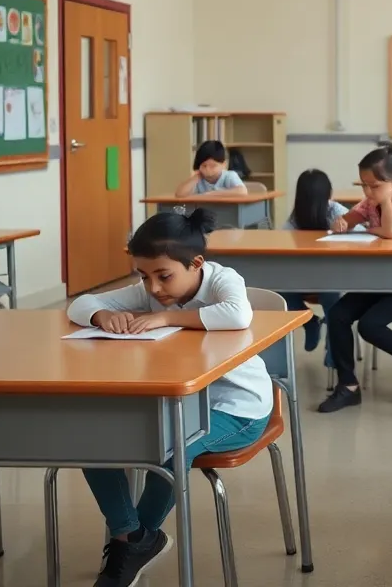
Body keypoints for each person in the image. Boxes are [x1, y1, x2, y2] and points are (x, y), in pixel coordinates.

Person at [66, 210, 272, 587]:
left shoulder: (223, 281)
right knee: (91, 439)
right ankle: (135, 537)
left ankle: (129, 544)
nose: (154, 289)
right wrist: (99, 316)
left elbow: (238, 315)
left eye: (164, 276)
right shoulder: (152, 290)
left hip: (238, 408)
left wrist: (166, 319)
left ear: (196, 264)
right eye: (144, 277)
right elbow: (79, 304)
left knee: (178, 448)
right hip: (175, 403)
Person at [318, 145, 392, 413]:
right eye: (364, 186)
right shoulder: (370, 199)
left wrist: (385, 201)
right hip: (380, 281)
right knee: (337, 315)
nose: (368, 192)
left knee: (369, 326)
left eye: (374, 186)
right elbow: (346, 221)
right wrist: (343, 222)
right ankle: (348, 386)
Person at [282, 168, 347, 351]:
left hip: (332, 277)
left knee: (331, 297)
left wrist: (344, 228)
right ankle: (310, 322)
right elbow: (282, 241)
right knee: (280, 292)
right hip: (302, 277)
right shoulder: (295, 217)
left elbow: (361, 231)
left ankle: (334, 350)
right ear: (329, 193)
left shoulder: (336, 211)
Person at [175, 140, 247, 197]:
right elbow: (179, 194)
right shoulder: (198, 178)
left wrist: (210, 194)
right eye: (204, 166)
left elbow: (242, 191)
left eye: (213, 166)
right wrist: (195, 178)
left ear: (223, 165)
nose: (208, 169)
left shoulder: (229, 176)